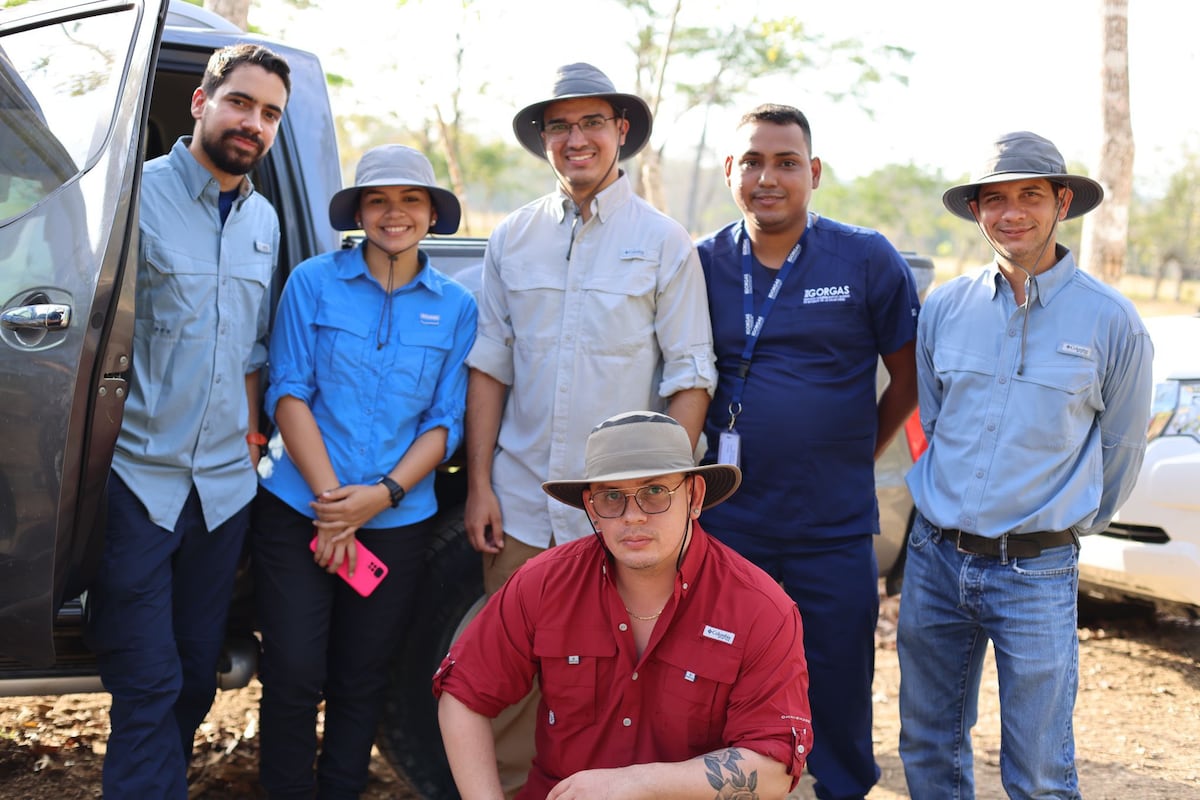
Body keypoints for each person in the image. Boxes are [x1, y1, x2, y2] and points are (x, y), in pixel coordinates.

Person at [463, 62, 717, 794]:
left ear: (621, 132)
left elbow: (690, 376)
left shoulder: (665, 242)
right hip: (518, 500)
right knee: (506, 689)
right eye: (561, 125)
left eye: (593, 123)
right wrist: (480, 484)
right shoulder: (512, 238)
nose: (577, 139)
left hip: (620, 512)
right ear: (545, 138)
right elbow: (491, 367)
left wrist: (662, 498)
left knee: (619, 692)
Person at [898, 131, 1154, 799]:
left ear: (1062, 202)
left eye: (1030, 196)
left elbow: (1122, 451)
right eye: (995, 199)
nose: (1012, 213)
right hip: (936, 560)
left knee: (1039, 769)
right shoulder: (945, 310)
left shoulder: (1112, 322)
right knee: (928, 748)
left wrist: (1060, 526)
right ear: (977, 211)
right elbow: (932, 421)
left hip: (1036, 571)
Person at [82, 44, 290, 798]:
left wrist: (253, 431)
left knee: (196, 677)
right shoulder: (132, 199)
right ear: (201, 103)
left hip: (224, 492)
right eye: (240, 102)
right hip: (141, 479)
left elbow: (252, 344)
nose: (253, 123)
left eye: (269, 113)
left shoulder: (265, 219)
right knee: (147, 680)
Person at [696, 103, 919, 800]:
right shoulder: (699, 263)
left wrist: (855, 451)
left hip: (833, 526)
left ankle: (843, 788)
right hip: (729, 521)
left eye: (787, 162)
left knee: (840, 684)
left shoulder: (866, 258)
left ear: (813, 172)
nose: (770, 176)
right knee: (720, 681)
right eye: (753, 161)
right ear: (729, 170)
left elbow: (908, 377)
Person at [251, 144, 477, 798]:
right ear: (359, 212)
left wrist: (378, 498)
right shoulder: (313, 282)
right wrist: (333, 505)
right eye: (378, 200)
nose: (394, 213)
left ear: (432, 214)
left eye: (411, 200)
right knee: (294, 672)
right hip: (300, 510)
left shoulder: (457, 307)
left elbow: (445, 421)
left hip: (397, 521)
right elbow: (287, 391)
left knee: (362, 675)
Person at [436, 410, 812, 800]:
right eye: (612, 496)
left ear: (694, 496)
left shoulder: (760, 609)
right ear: (592, 508)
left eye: (654, 492)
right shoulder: (543, 584)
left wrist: (636, 784)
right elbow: (462, 694)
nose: (633, 517)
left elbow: (774, 770)